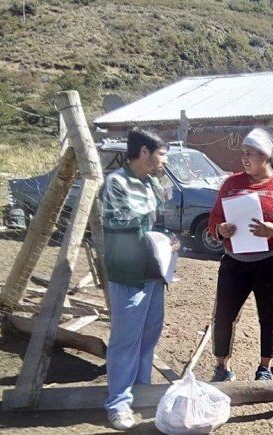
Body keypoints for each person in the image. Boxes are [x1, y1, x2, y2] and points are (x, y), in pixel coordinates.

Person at [208, 127, 273, 382]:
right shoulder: (231, 184)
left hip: (271, 263)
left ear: (265, 156)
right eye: (243, 153)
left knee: (268, 317)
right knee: (224, 315)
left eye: (250, 153)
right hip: (235, 263)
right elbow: (214, 219)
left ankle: (265, 367)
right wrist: (220, 229)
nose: (245, 158)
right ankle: (223, 366)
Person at [101, 127, 175, 430]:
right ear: (143, 152)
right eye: (161, 155)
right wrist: (157, 204)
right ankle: (117, 403)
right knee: (125, 340)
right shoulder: (116, 182)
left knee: (148, 336)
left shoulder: (151, 182)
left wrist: (168, 240)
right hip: (128, 273)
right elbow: (130, 218)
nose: (164, 162)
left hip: (152, 271)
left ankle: (141, 390)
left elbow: (159, 218)